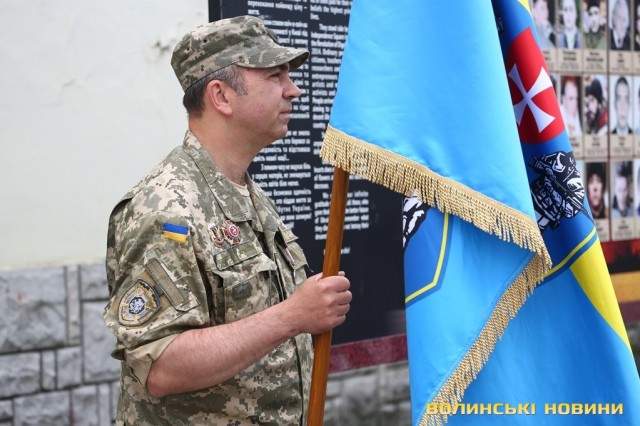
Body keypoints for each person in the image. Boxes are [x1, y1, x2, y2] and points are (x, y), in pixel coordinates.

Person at [103, 16, 352, 425]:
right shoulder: (166, 208)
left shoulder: (247, 194)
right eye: (275, 76)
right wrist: (292, 316)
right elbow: (160, 366)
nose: (294, 89)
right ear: (221, 96)